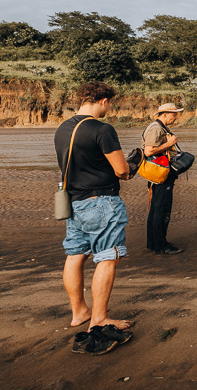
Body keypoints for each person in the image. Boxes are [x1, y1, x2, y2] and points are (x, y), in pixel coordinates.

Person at [54, 81, 134, 355]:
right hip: (101, 201)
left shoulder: (63, 129)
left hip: (74, 202)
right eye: (109, 103)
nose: (109, 108)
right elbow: (122, 170)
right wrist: (131, 166)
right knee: (107, 256)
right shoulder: (102, 129)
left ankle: (79, 312)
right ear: (103, 101)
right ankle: (99, 319)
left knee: (75, 254)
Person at [143, 103, 184, 255]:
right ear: (165, 114)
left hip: (158, 174)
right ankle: (161, 245)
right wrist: (170, 143)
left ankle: (154, 243)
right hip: (160, 175)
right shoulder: (156, 128)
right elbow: (148, 151)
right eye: (174, 115)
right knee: (162, 208)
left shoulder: (159, 127)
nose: (175, 118)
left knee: (156, 208)